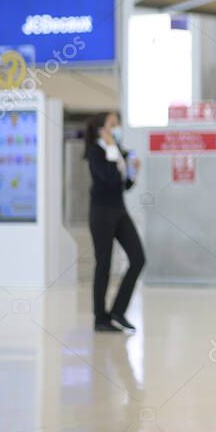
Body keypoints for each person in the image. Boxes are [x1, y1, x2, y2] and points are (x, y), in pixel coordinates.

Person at [84, 112, 145, 334]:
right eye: (113, 124)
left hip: (119, 210)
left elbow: (122, 185)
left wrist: (133, 173)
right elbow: (108, 178)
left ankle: (118, 311)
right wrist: (111, 148)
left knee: (138, 258)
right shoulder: (96, 152)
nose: (117, 127)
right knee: (104, 265)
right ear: (102, 129)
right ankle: (100, 318)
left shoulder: (116, 151)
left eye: (117, 123)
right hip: (101, 213)